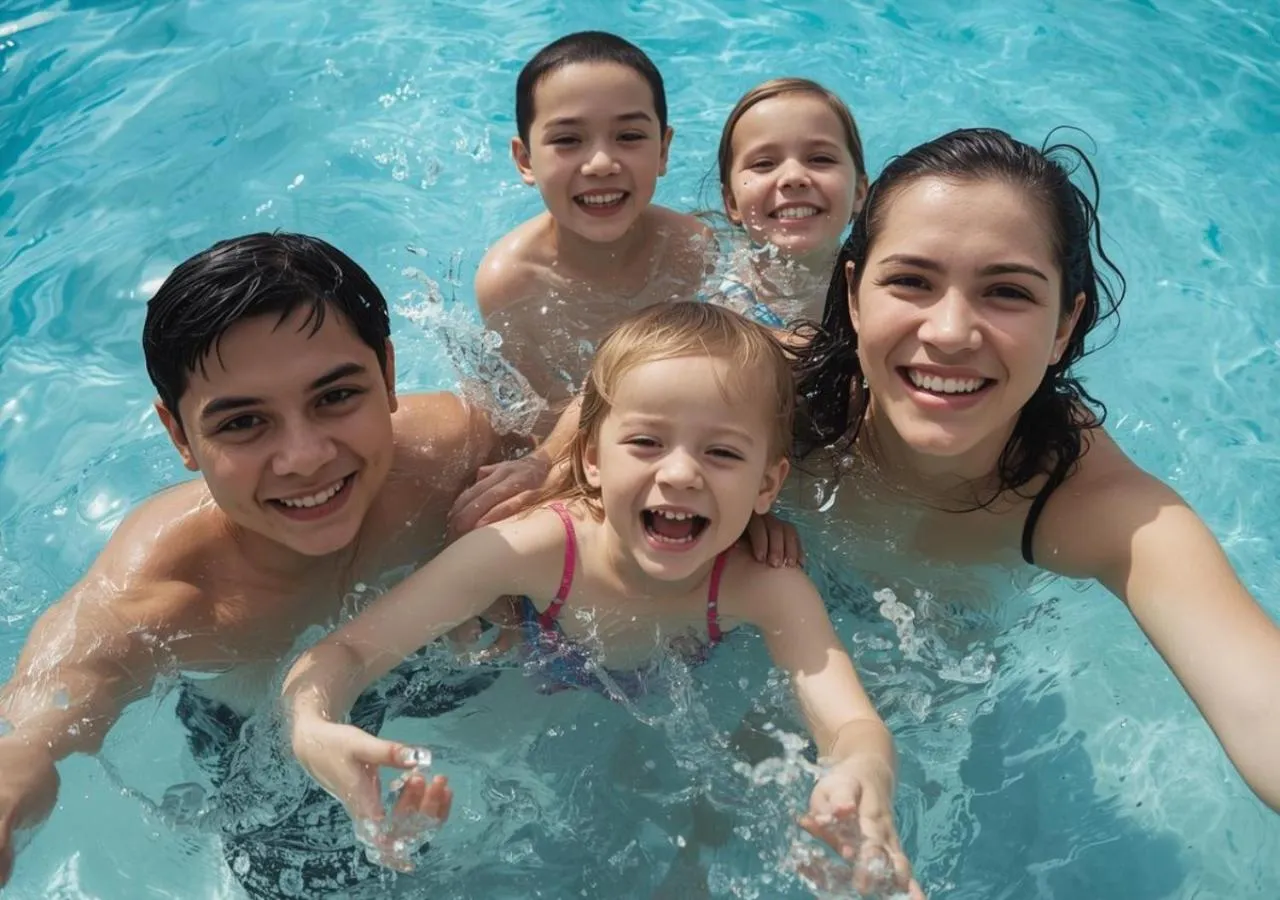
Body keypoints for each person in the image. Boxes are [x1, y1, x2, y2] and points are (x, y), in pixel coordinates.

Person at [284, 302, 924, 898]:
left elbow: (849, 721)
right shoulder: (532, 551)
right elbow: (347, 650)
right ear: (591, 458)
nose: (679, 473)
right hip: (529, 665)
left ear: (767, 484)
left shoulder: (764, 583)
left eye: (723, 452)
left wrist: (863, 774)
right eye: (645, 443)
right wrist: (314, 726)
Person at [0, 232, 512, 894]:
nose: (303, 457)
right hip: (257, 733)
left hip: (422, 652)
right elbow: (42, 717)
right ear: (179, 435)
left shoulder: (455, 453)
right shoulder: (166, 595)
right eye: (243, 424)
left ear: (387, 375)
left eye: (334, 398)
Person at [788, 127, 1280, 811]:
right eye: (910, 281)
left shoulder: (1092, 504)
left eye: (1007, 293)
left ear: (1063, 325)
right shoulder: (775, 403)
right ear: (852, 293)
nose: (951, 332)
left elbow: (1264, 706)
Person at [474, 31, 713, 431]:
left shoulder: (692, 248)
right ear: (525, 160)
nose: (601, 163)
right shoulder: (509, 284)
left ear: (664, 151)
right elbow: (538, 420)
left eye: (629, 136)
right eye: (568, 139)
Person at [707, 77, 869, 328]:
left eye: (820, 159)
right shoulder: (723, 308)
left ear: (859, 192)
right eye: (763, 164)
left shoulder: (879, 285)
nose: (793, 177)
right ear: (732, 203)